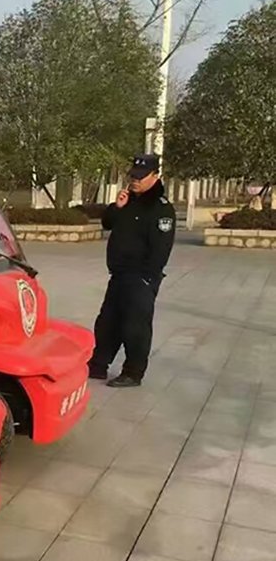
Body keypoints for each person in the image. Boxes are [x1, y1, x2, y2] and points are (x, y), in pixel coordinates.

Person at [88, 154, 176, 388]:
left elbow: (161, 248)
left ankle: (133, 372)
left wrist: (147, 278)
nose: (135, 180)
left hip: (141, 277)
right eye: (133, 176)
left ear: (155, 176)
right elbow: (107, 223)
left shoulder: (161, 209)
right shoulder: (128, 201)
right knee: (108, 321)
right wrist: (117, 207)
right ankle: (98, 364)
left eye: (141, 177)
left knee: (135, 326)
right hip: (119, 274)